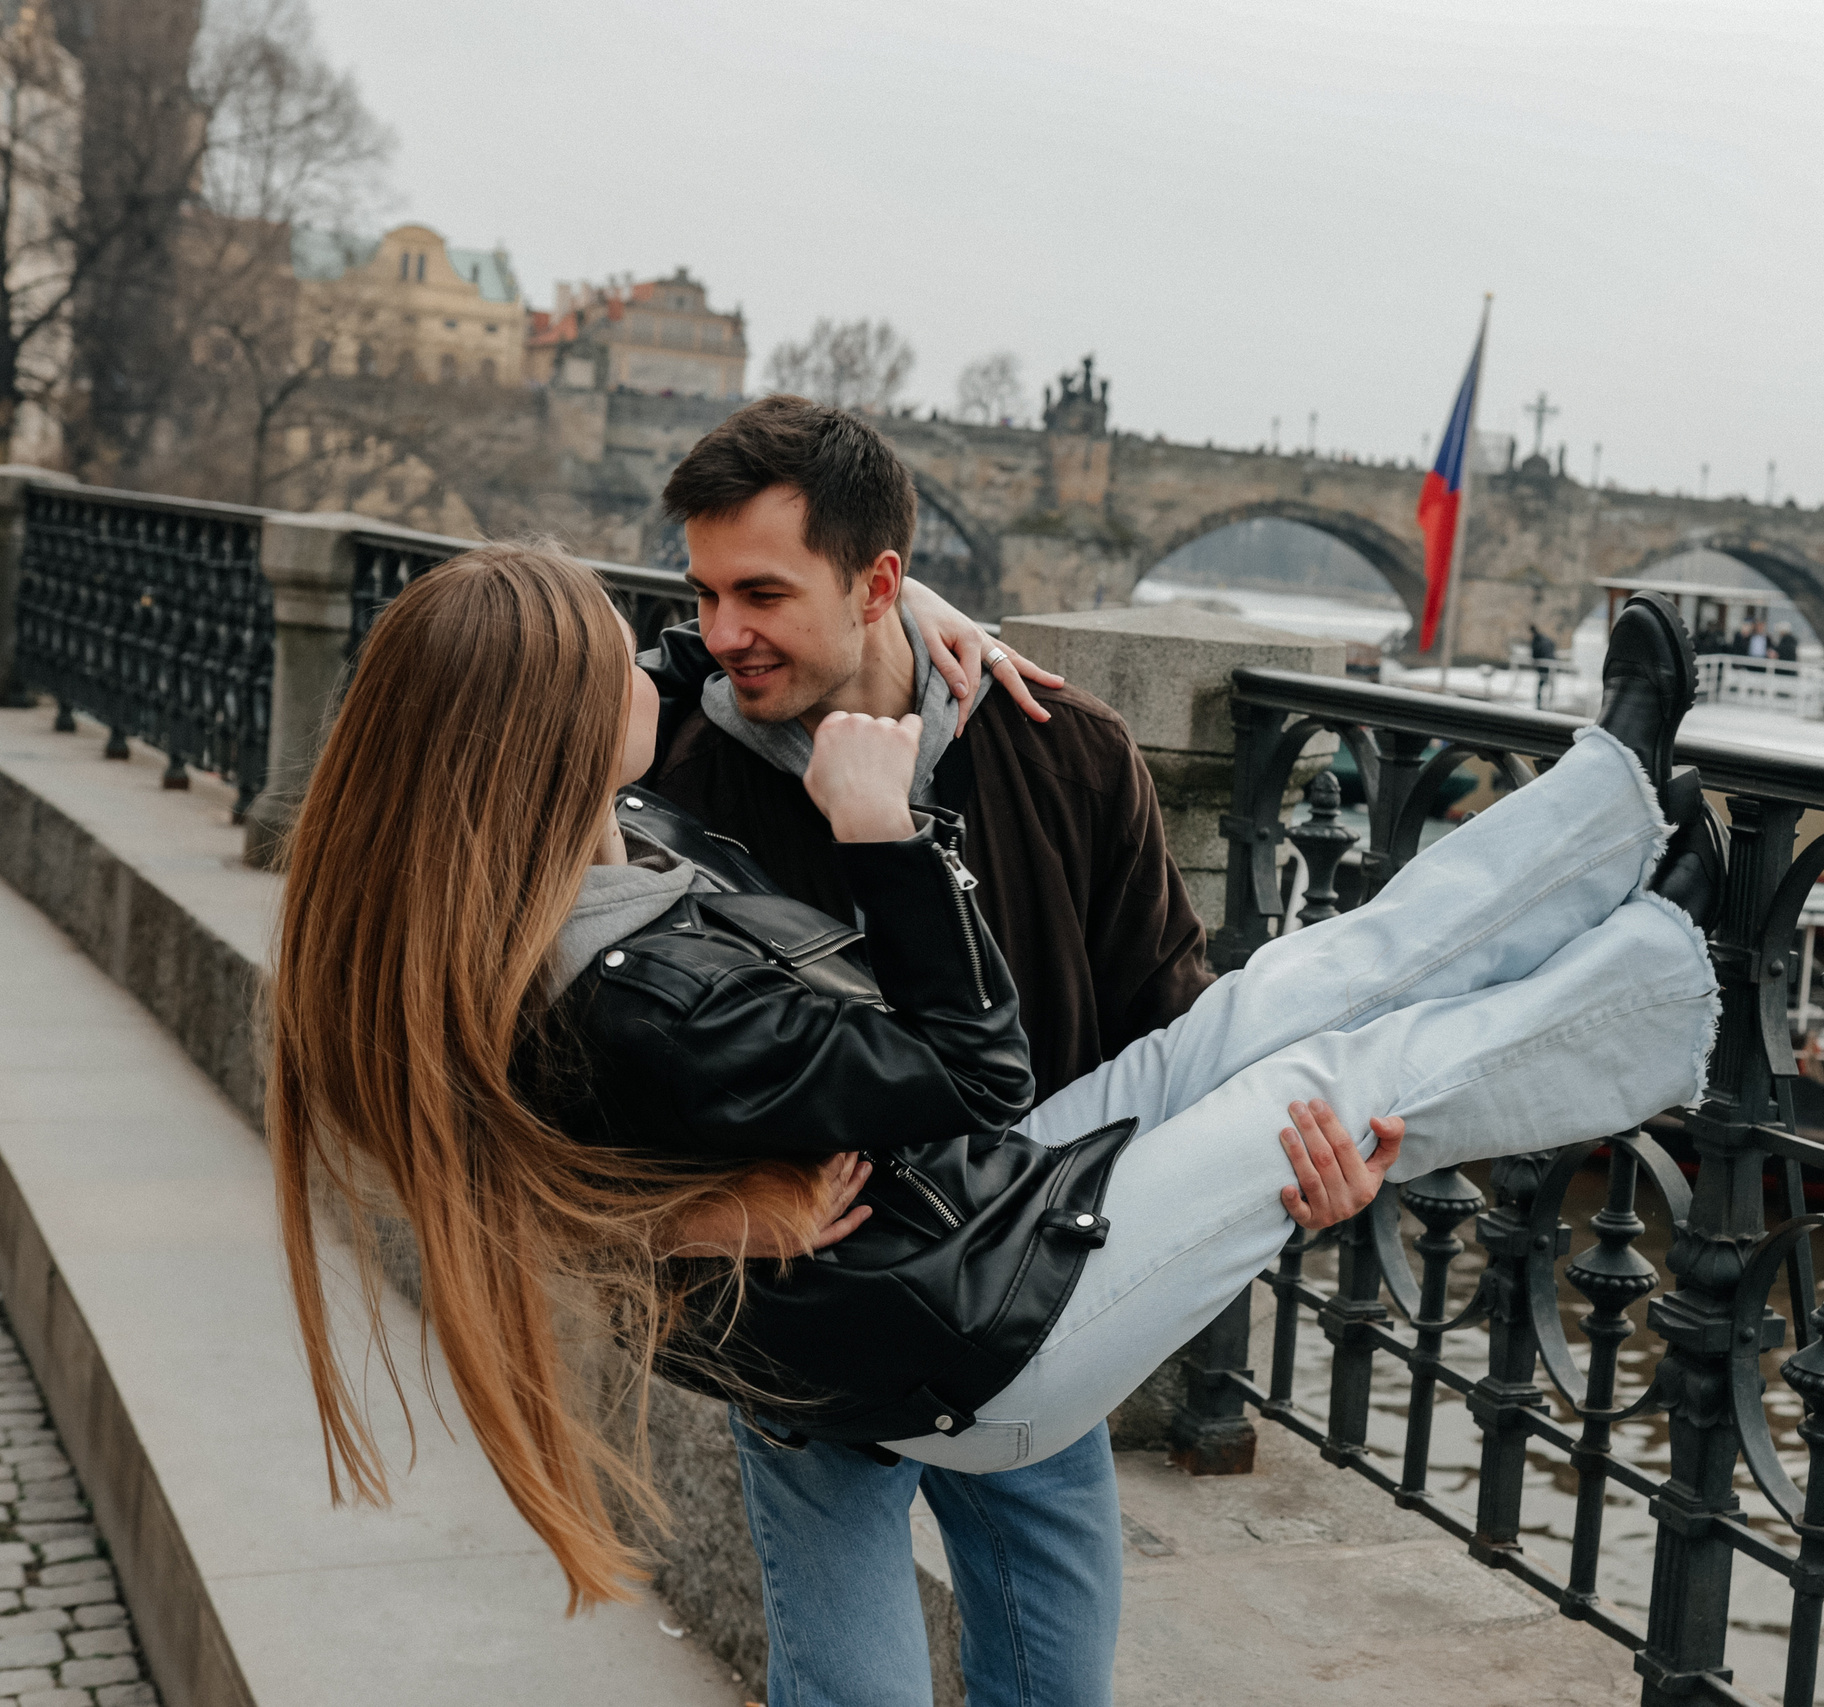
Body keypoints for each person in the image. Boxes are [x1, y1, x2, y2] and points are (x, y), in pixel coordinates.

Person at [266, 555, 1720, 1706]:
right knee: (1318, 1090)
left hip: (942, 1227)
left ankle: (1610, 804)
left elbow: (502, 1144)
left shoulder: (574, 856)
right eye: (626, 650)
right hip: (965, 1320)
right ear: (556, 731)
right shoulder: (643, 983)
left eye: (726, 609)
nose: (678, 648)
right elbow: (973, 1071)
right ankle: (1662, 973)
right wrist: (885, 837)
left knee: (1272, 1004)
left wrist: (916, 625)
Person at [629, 397, 1211, 1705]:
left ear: (879, 582)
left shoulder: (1067, 754)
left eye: (761, 595)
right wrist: (697, 1217)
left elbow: (1170, 1029)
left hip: (1024, 1305)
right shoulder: (671, 781)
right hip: (805, 1326)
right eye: (704, 593)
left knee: (1056, 1691)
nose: (722, 633)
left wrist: (1289, 1170)